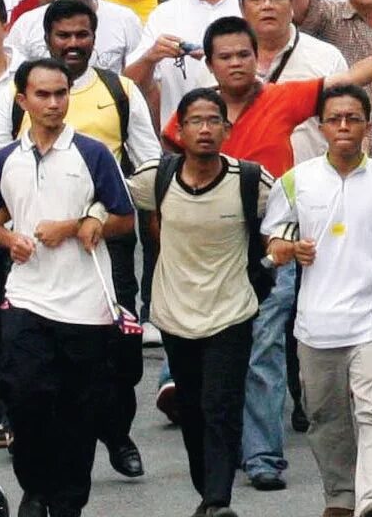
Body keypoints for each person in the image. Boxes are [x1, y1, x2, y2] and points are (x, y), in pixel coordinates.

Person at [0, 57, 139, 517]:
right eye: (43, 94)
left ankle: (68, 502)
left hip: (86, 303)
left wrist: (76, 224)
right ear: (22, 99)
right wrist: (8, 238)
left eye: (61, 93)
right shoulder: (2, 161)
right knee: (25, 396)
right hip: (27, 297)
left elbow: (125, 219)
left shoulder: (92, 154)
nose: (53, 103)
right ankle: (35, 487)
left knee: (77, 410)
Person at [266, 81, 372, 517]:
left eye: (353, 119)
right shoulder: (297, 181)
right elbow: (274, 240)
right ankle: (341, 498)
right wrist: (288, 249)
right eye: (335, 119)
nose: (344, 126)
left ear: (367, 126)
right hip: (316, 324)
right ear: (321, 126)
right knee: (326, 419)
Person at [128, 85, 270, 517]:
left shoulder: (251, 180)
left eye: (213, 121)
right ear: (180, 130)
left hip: (231, 311)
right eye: (195, 121)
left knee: (221, 406)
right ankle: (206, 491)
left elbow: (282, 223)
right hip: (175, 313)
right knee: (191, 409)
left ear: (227, 130)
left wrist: (274, 255)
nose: (205, 130)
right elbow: (112, 203)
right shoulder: (155, 178)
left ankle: (217, 500)